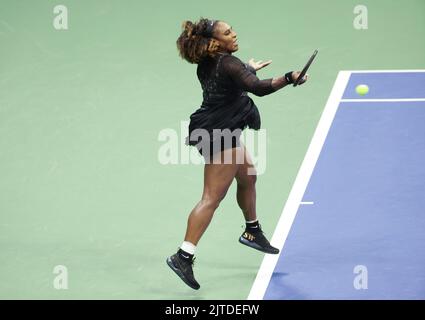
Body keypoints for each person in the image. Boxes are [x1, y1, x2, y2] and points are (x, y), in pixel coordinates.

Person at [167, 18, 308, 290]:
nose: (234, 34)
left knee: (248, 177)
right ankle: (183, 256)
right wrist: (289, 77)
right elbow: (258, 88)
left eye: (232, 30)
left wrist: (247, 68)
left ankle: (252, 231)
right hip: (220, 133)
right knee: (211, 197)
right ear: (215, 42)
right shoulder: (229, 64)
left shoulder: (209, 63)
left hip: (220, 127)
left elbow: (232, 80)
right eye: (227, 33)